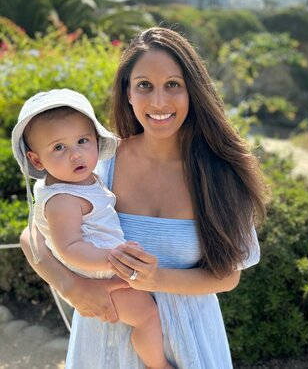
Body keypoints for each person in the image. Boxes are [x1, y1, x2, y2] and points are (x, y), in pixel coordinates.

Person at [20, 27, 268, 368]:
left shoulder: (221, 174)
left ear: (192, 91)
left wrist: (156, 279)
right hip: (103, 342)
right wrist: (70, 285)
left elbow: (228, 277)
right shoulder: (97, 164)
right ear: (129, 93)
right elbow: (33, 236)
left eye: (173, 85)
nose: (159, 102)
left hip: (189, 343)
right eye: (144, 86)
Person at [12, 89, 173, 369]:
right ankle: (158, 365)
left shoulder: (83, 180)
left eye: (82, 141)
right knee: (147, 315)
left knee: (148, 313)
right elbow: (69, 247)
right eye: (59, 148)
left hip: (104, 272)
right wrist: (114, 256)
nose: (76, 154)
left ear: (96, 140)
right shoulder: (63, 200)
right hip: (99, 280)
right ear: (37, 160)